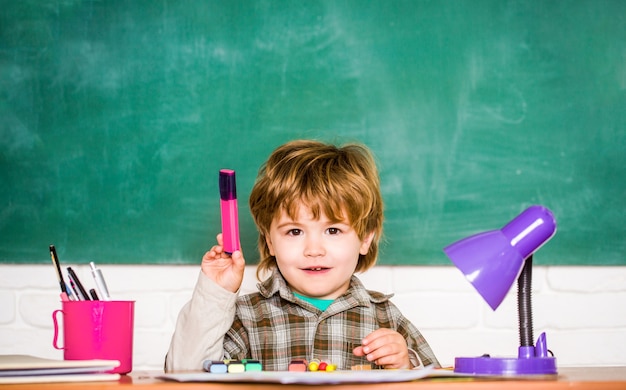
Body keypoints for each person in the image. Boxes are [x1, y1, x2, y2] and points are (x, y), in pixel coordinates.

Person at [165, 139, 439, 372]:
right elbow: (184, 374)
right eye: (294, 231)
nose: (314, 249)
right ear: (270, 241)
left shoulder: (386, 317)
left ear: (365, 238)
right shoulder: (247, 317)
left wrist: (405, 366)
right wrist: (216, 292)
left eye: (333, 230)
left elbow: (442, 384)